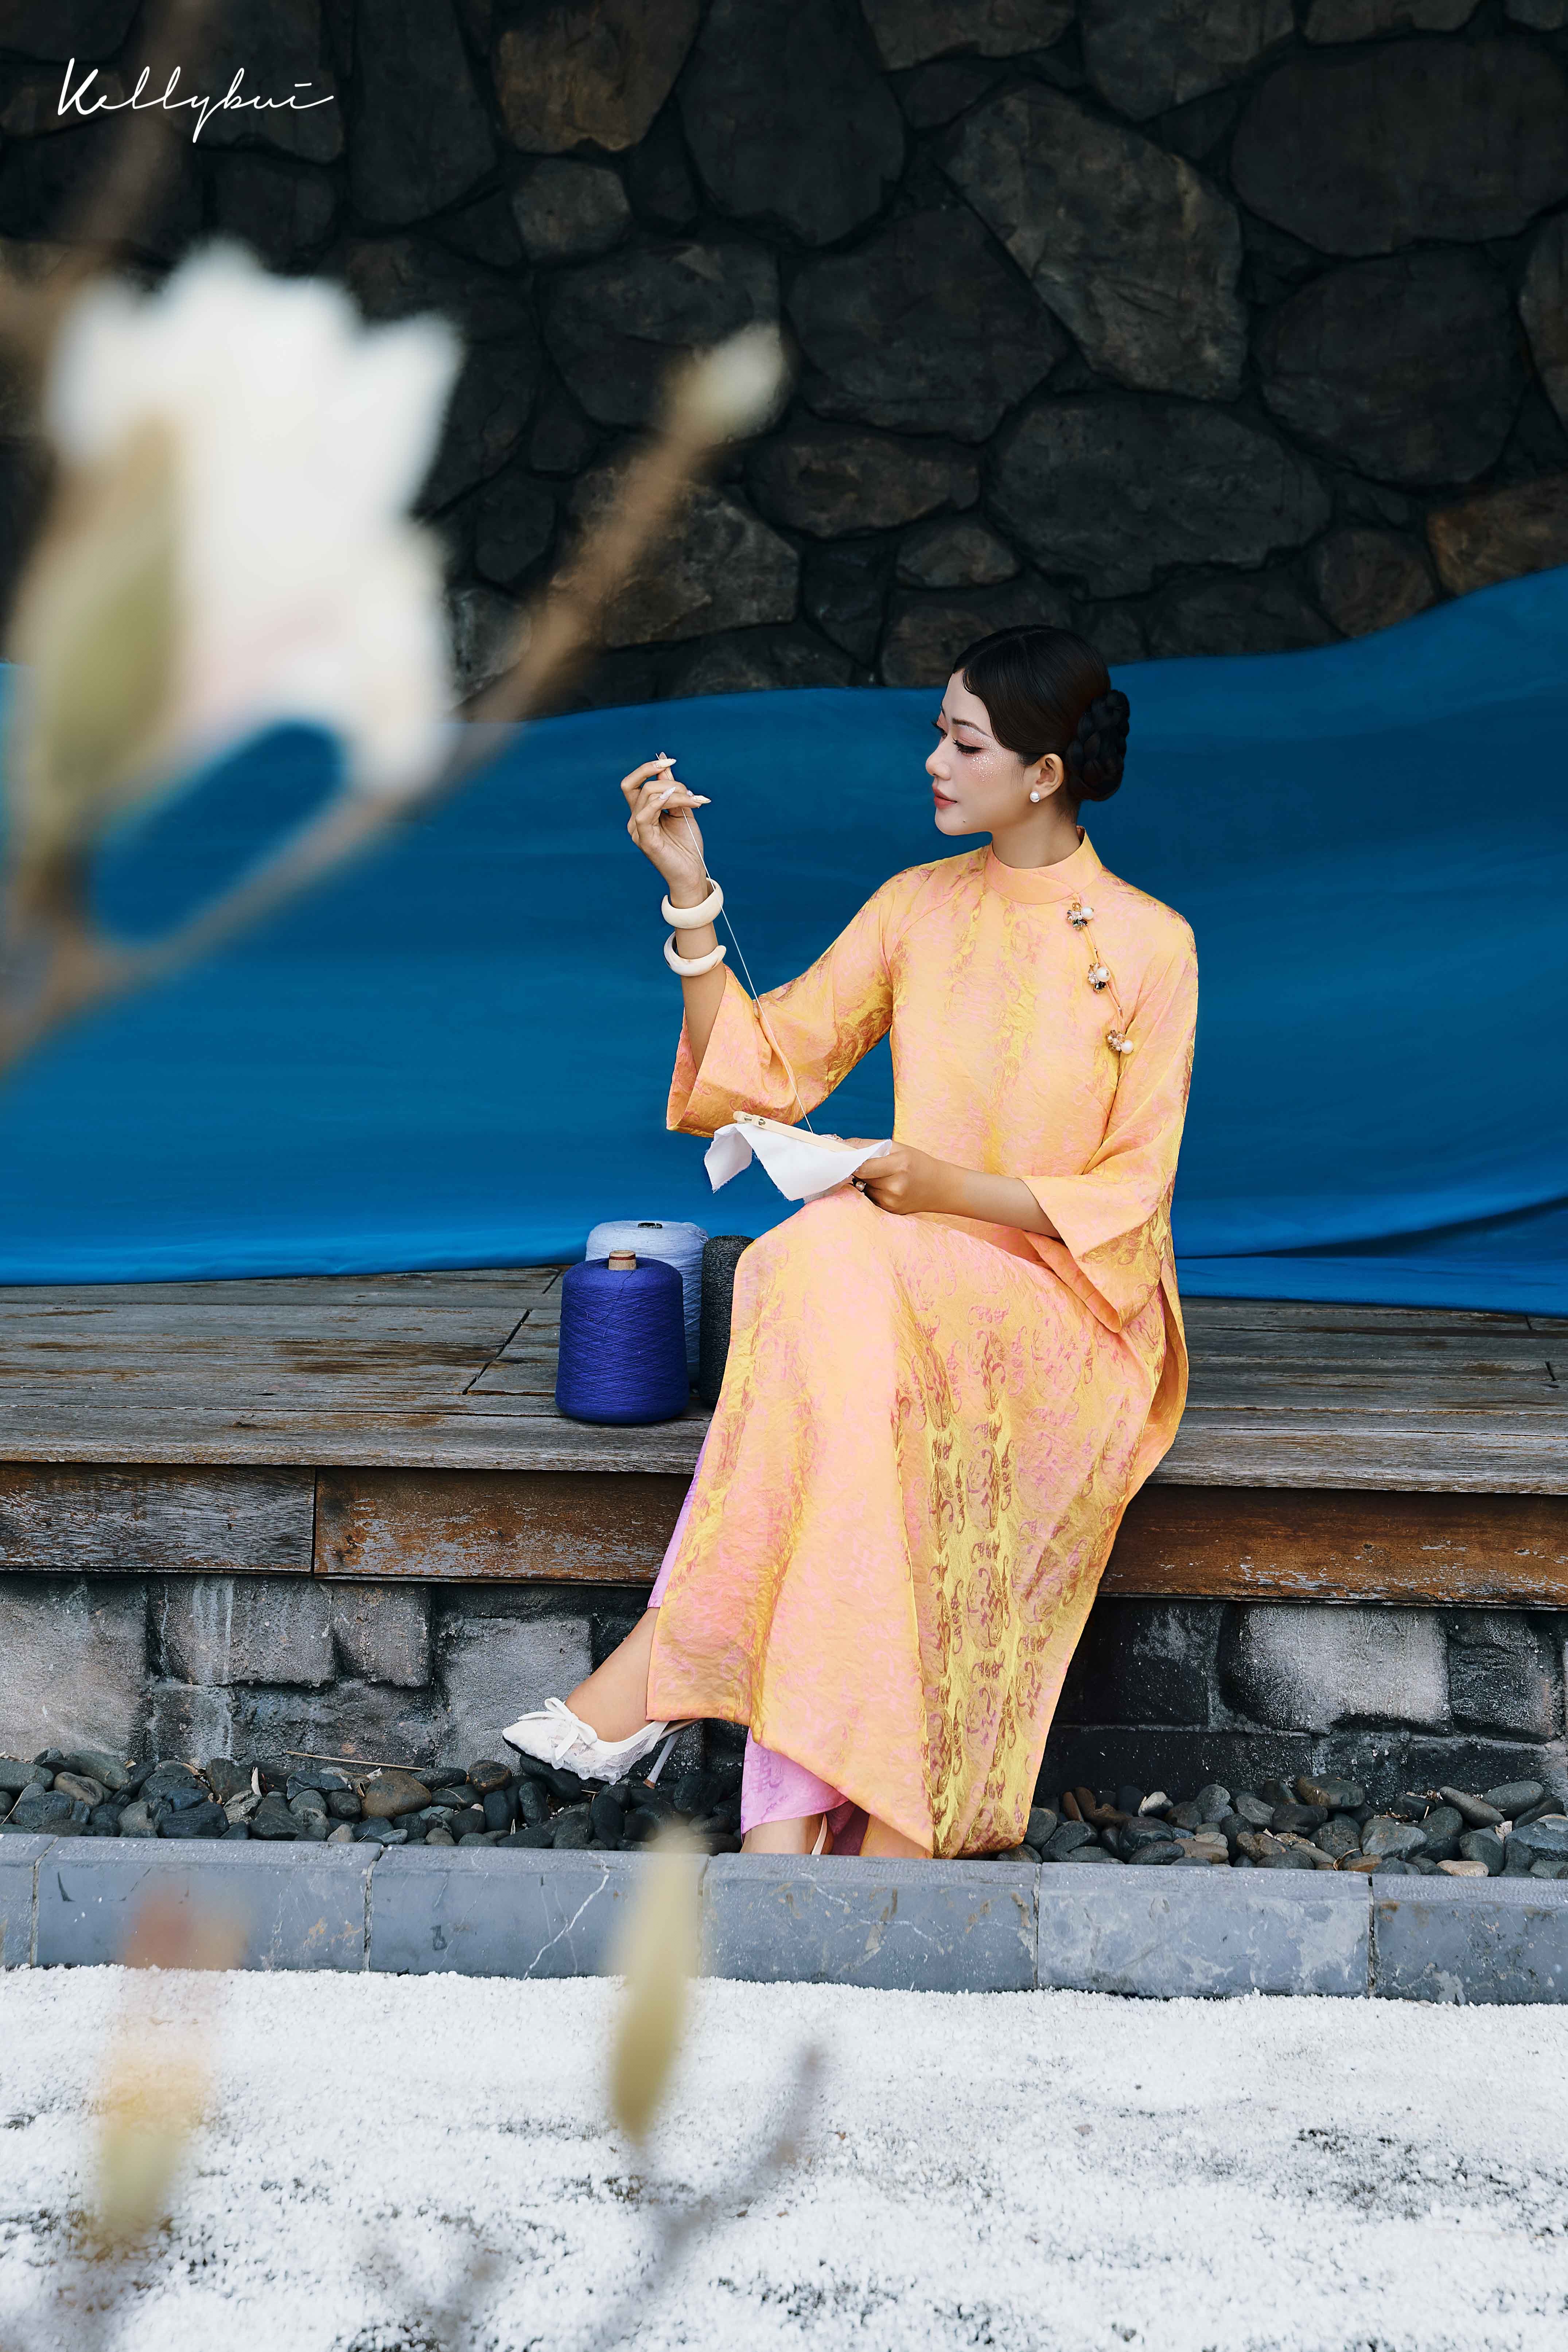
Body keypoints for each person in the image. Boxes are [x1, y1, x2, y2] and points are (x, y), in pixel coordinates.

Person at [504, 625, 1198, 1861]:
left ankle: (666, 1676)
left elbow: (1130, 1199)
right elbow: (766, 1070)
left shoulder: (1152, 945)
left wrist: (940, 1183)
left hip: (1067, 1314)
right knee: (816, 1273)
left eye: (964, 742)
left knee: (817, 1254)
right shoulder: (915, 907)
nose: (935, 760)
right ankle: (837, 1824)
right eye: (939, 732)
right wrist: (690, 894)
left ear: (1044, 773)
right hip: (896, 1296)